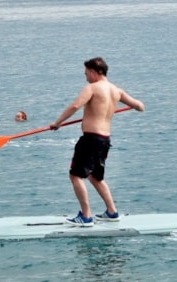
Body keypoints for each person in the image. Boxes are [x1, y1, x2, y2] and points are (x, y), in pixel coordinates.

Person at [49, 57, 145, 227]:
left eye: (86, 73)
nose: (85, 77)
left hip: (91, 139)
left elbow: (75, 106)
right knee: (95, 177)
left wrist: (58, 123)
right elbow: (140, 106)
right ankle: (112, 212)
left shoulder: (92, 88)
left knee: (76, 175)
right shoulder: (117, 91)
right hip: (104, 140)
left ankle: (86, 216)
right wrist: (130, 105)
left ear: (94, 72)